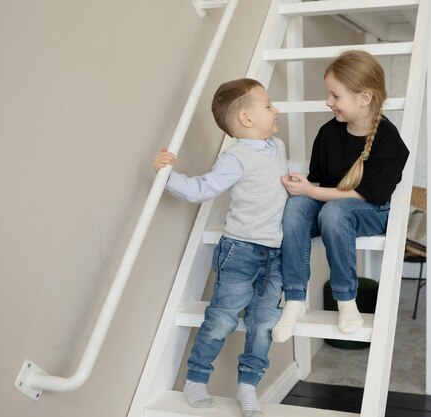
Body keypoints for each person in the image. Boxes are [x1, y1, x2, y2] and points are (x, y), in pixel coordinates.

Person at [153, 78, 287, 417]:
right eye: (269, 105)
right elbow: (201, 189)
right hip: (241, 251)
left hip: (276, 253)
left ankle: (247, 387)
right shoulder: (235, 158)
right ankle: (196, 378)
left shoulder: (278, 147)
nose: (276, 110)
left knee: (264, 323)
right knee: (222, 318)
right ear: (246, 119)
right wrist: (167, 174)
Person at [271, 50, 409, 343]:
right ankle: (294, 299)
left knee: (334, 212)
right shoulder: (328, 133)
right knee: (295, 207)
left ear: (364, 98)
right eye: (328, 95)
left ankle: (346, 300)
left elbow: (367, 195)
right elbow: (320, 183)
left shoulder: (389, 139)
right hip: (329, 205)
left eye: (335, 96)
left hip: (371, 209)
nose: (328, 102)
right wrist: (302, 186)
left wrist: (313, 191)